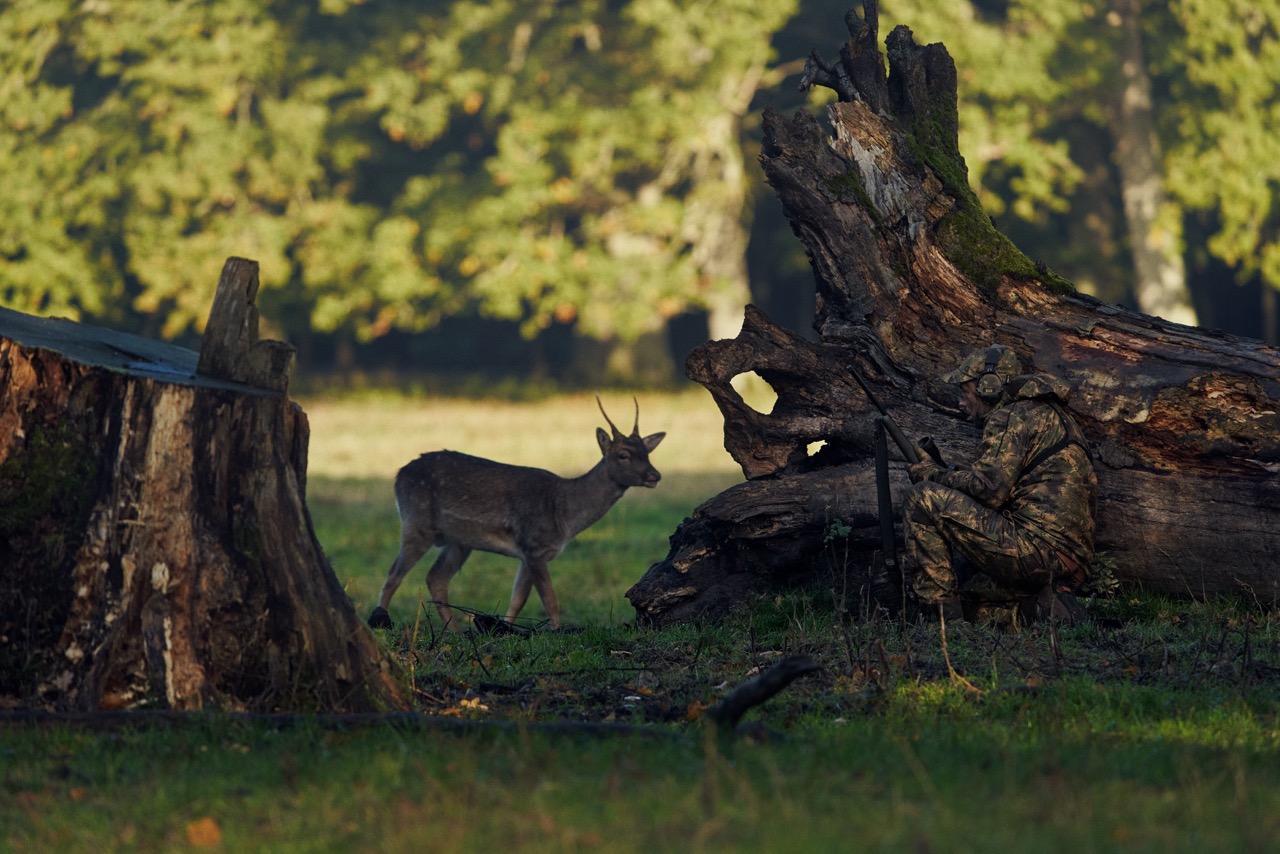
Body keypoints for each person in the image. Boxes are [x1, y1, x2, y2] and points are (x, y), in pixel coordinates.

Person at [901, 345, 1097, 626]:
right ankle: (1042, 611)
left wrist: (932, 475)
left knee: (921, 499)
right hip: (1069, 563)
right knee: (968, 597)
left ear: (988, 387)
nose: (960, 403)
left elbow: (989, 491)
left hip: (1037, 551)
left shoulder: (1011, 416)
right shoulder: (1049, 415)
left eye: (965, 393)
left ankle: (941, 626)